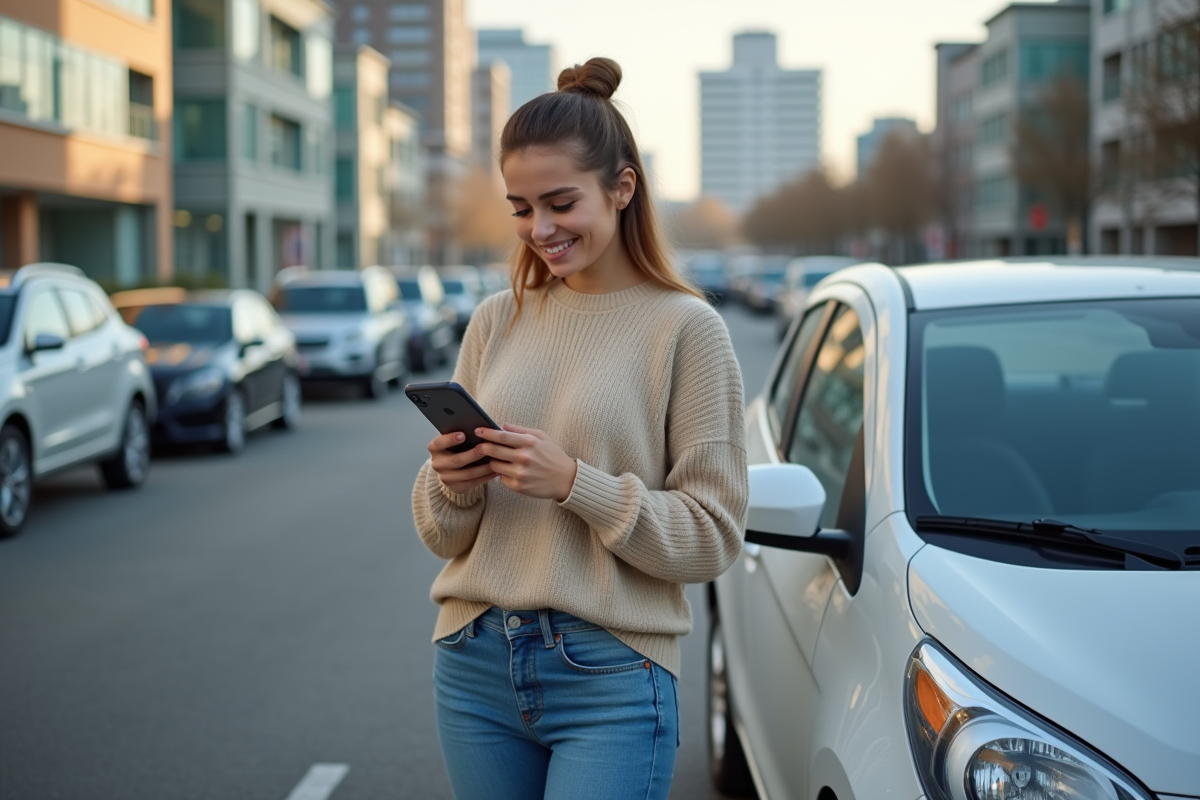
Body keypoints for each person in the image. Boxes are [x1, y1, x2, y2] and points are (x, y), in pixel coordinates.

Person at [411, 57, 748, 800]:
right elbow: (441, 535)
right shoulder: (497, 320)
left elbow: (714, 536)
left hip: (612, 673)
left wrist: (575, 484)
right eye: (522, 208)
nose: (540, 229)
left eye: (560, 203)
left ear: (622, 188)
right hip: (473, 663)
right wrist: (451, 482)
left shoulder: (687, 330)